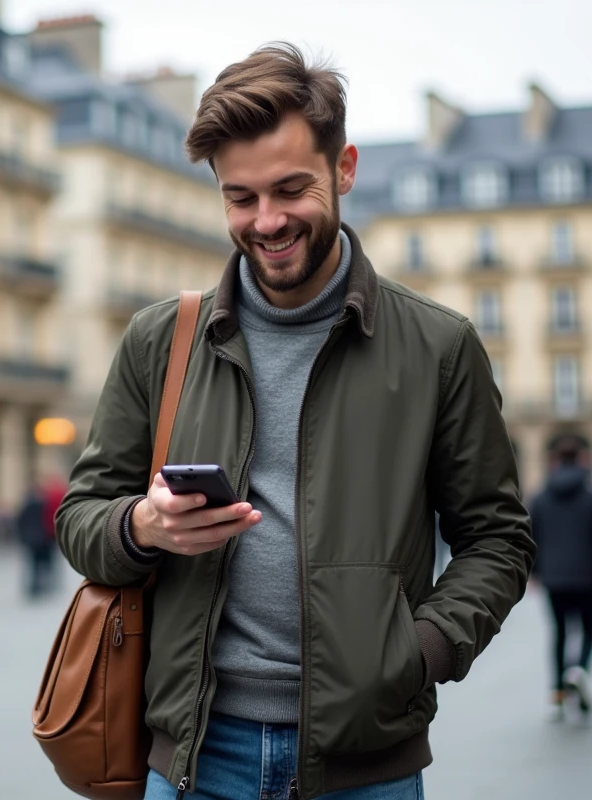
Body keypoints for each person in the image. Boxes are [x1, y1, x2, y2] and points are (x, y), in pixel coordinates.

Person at [55, 44, 534, 800]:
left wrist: (419, 651)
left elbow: (498, 538)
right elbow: (79, 517)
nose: (267, 221)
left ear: (343, 169)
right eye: (240, 198)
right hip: (193, 761)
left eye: (290, 189)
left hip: (366, 765)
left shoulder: (440, 346)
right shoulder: (160, 341)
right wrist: (142, 527)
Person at [529, 444, 592, 721]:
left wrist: (534, 572)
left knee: (558, 633)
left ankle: (557, 697)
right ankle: (579, 670)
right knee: (590, 630)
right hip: (585, 576)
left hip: (553, 578)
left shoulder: (541, 499)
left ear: (555, 462)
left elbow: (531, 535)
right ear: (582, 461)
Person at [16, 485, 53, 598]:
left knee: (33, 565)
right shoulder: (44, 506)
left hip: (32, 540)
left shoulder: (27, 506)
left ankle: (33, 586)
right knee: (41, 565)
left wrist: (23, 537)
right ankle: (40, 586)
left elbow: (20, 522)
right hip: (42, 539)